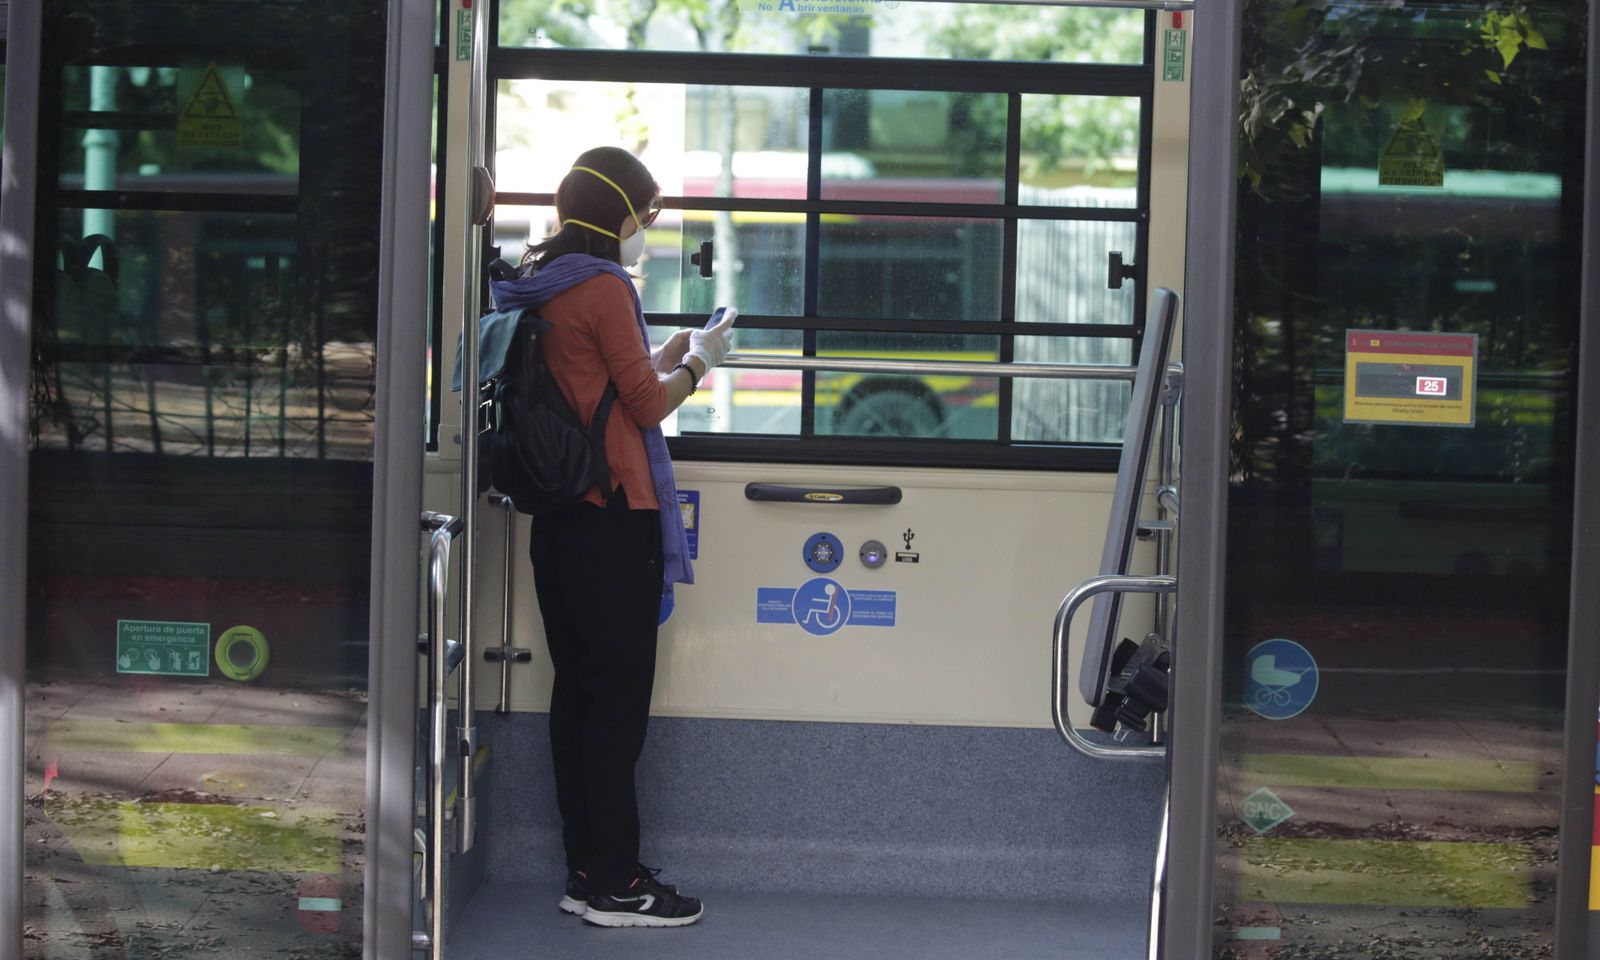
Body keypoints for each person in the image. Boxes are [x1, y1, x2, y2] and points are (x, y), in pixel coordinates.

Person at [488, 146, 734, 928]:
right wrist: (702, 363)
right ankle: (622, 885)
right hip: (612, 517)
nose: (644, 228)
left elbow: (599, 384)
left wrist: (664, 355)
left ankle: (587, 871)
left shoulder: (541, 283)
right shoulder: (604, 286)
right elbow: (647, 408)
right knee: (618, 708)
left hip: (558, 521)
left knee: (577, 700)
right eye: (644, 212)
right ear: (618, 212)